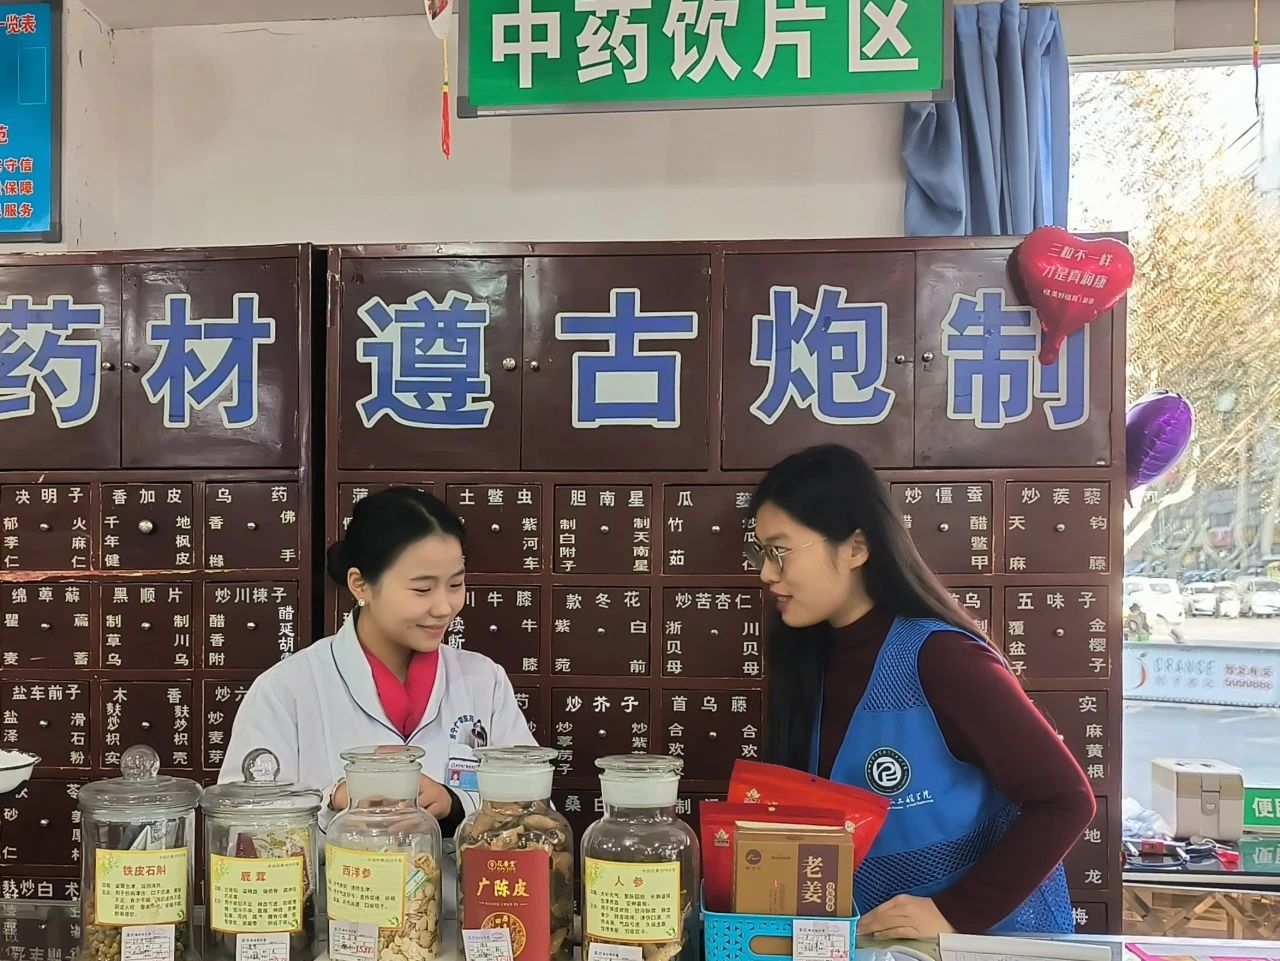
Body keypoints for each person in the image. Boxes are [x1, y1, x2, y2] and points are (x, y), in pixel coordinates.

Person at [749, 445, 1095, 939]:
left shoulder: (941, 658)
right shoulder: (809, 659)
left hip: (977, 946)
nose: (766, 573)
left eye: (779, 551)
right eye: (761, 552)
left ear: (856, 548)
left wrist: (954, 913)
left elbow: (1066, 800)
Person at [220, 487, 536, 853]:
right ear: (361, 585)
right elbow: (240, 827)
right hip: (340, 891)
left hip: (460, 892)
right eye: (422, 589)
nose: (444, 607)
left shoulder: (484, 681)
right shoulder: (287, 689)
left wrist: (454, 806)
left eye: (455, 584)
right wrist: (335, 801)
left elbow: (533, 812)